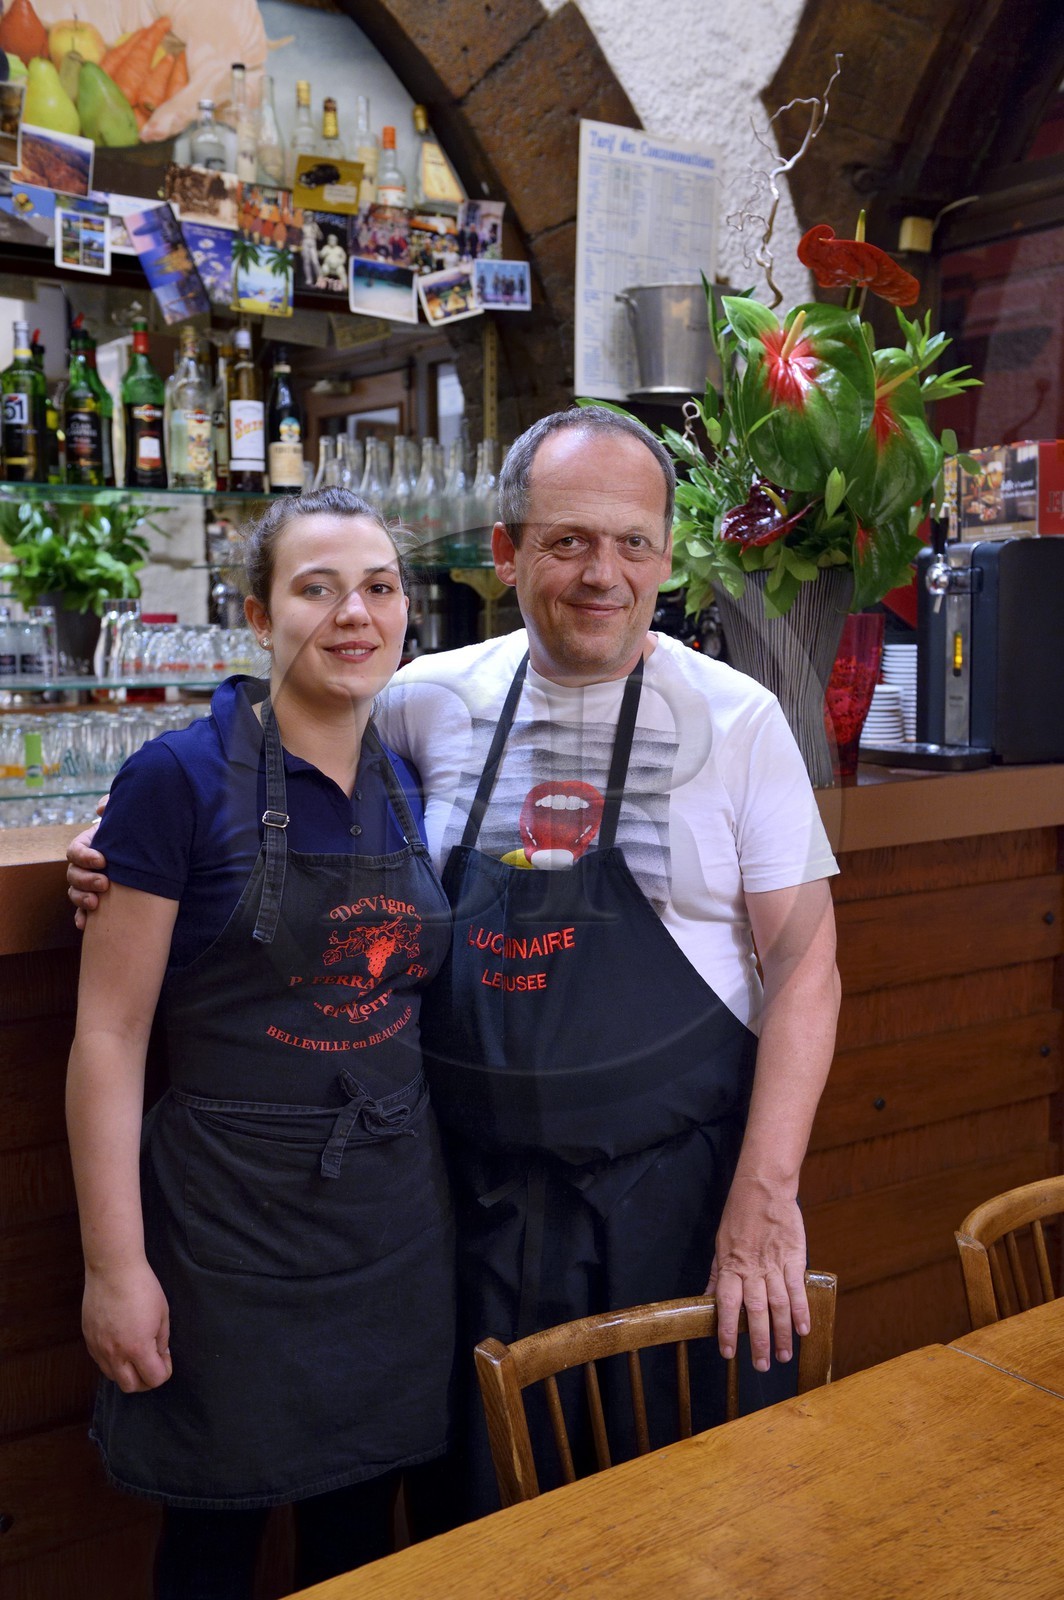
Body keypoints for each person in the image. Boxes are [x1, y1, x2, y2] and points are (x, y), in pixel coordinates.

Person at [69, 408, 840, 1516]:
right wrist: (119, 835)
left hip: (670, 1208)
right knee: (477, 1539)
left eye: (631, 543)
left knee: (688, 1526)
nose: (601, 574)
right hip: (464, 1217)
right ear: (506, 552)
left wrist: (764, 1195)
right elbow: (267, 754)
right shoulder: (427, 698)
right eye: (567, 540)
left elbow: (805, 970)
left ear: (668, 559)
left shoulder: (737, 718)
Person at [65, 490, 455, 1598]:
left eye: (378, 587)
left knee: (363, 1538)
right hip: (225, 1226)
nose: (354, 613)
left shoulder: (407, 773)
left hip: (387, 1223)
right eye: (316, 586)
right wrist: (115, 1266)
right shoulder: (173, 780)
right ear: (255, 613)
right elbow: (108, 1036)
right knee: (212, 1543)